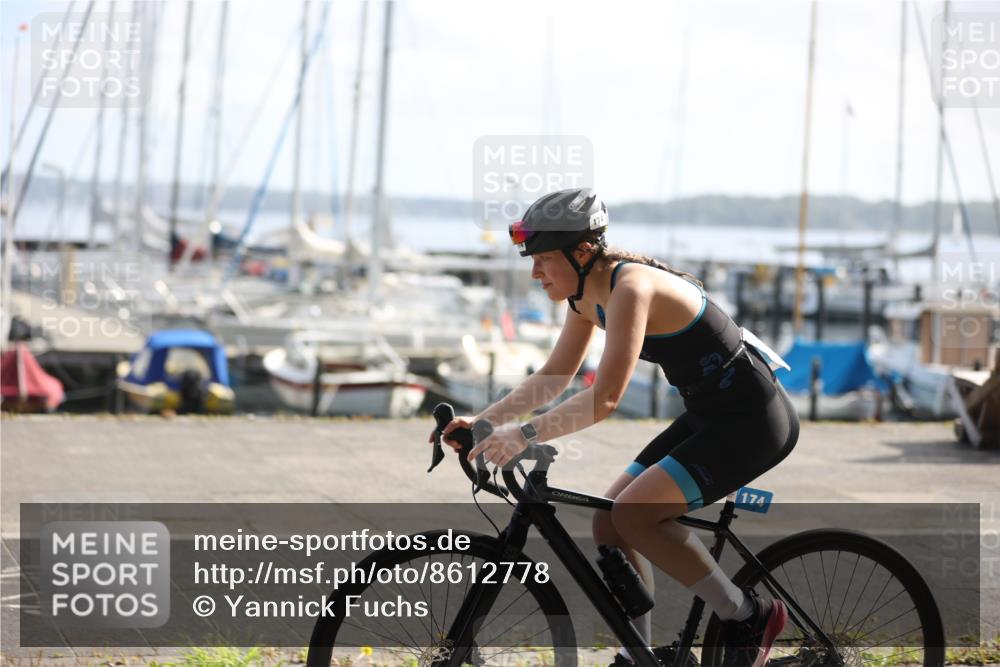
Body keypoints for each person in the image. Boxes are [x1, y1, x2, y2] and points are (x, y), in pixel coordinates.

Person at [435, 187, 799, 667]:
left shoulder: (631, 288)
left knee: (633, 514)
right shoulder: (585, 295)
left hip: (754, 421)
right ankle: (638, 656)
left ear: (582, 251)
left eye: (543, 258)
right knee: (610, 520)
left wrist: (523, 436)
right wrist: (483, 423)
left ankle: (748, 614)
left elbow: (605, 399)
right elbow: (554, 377)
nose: (534, 271)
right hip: (709, 414)